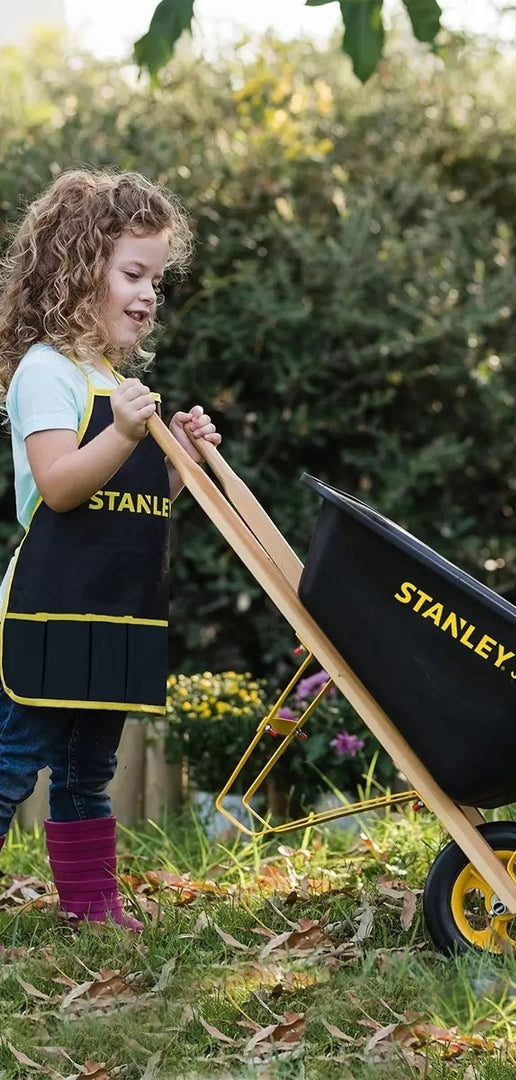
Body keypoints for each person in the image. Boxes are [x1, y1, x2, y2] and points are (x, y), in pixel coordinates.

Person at [0, 169, 221, 929]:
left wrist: (179, 463)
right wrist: (127, 431)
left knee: (88, 770)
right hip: (49, 611)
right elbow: (61, 486)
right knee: (11, 763)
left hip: (112, 612)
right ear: (78, 269)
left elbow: (137, 502)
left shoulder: (108, 378)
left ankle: (92, 908)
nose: (150, 293)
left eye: (156, 279)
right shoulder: (47, 373)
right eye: (135, 272)